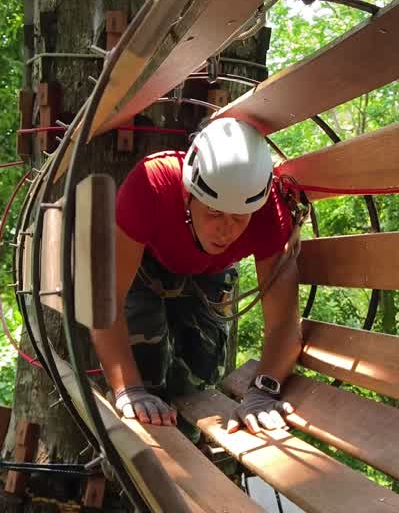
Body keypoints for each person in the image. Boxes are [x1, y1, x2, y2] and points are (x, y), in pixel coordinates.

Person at [91, 117, 301, 435]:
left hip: (211, 276)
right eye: (214, 212)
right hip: (146, 269)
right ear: (188, 195)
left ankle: (188, 456)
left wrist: (262, 391)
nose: (225, 230)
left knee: (197, 384)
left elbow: (284, 321)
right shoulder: (151, 184)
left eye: (238, 218)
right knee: (143, 385)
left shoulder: (269, 212)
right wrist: (128, 390)